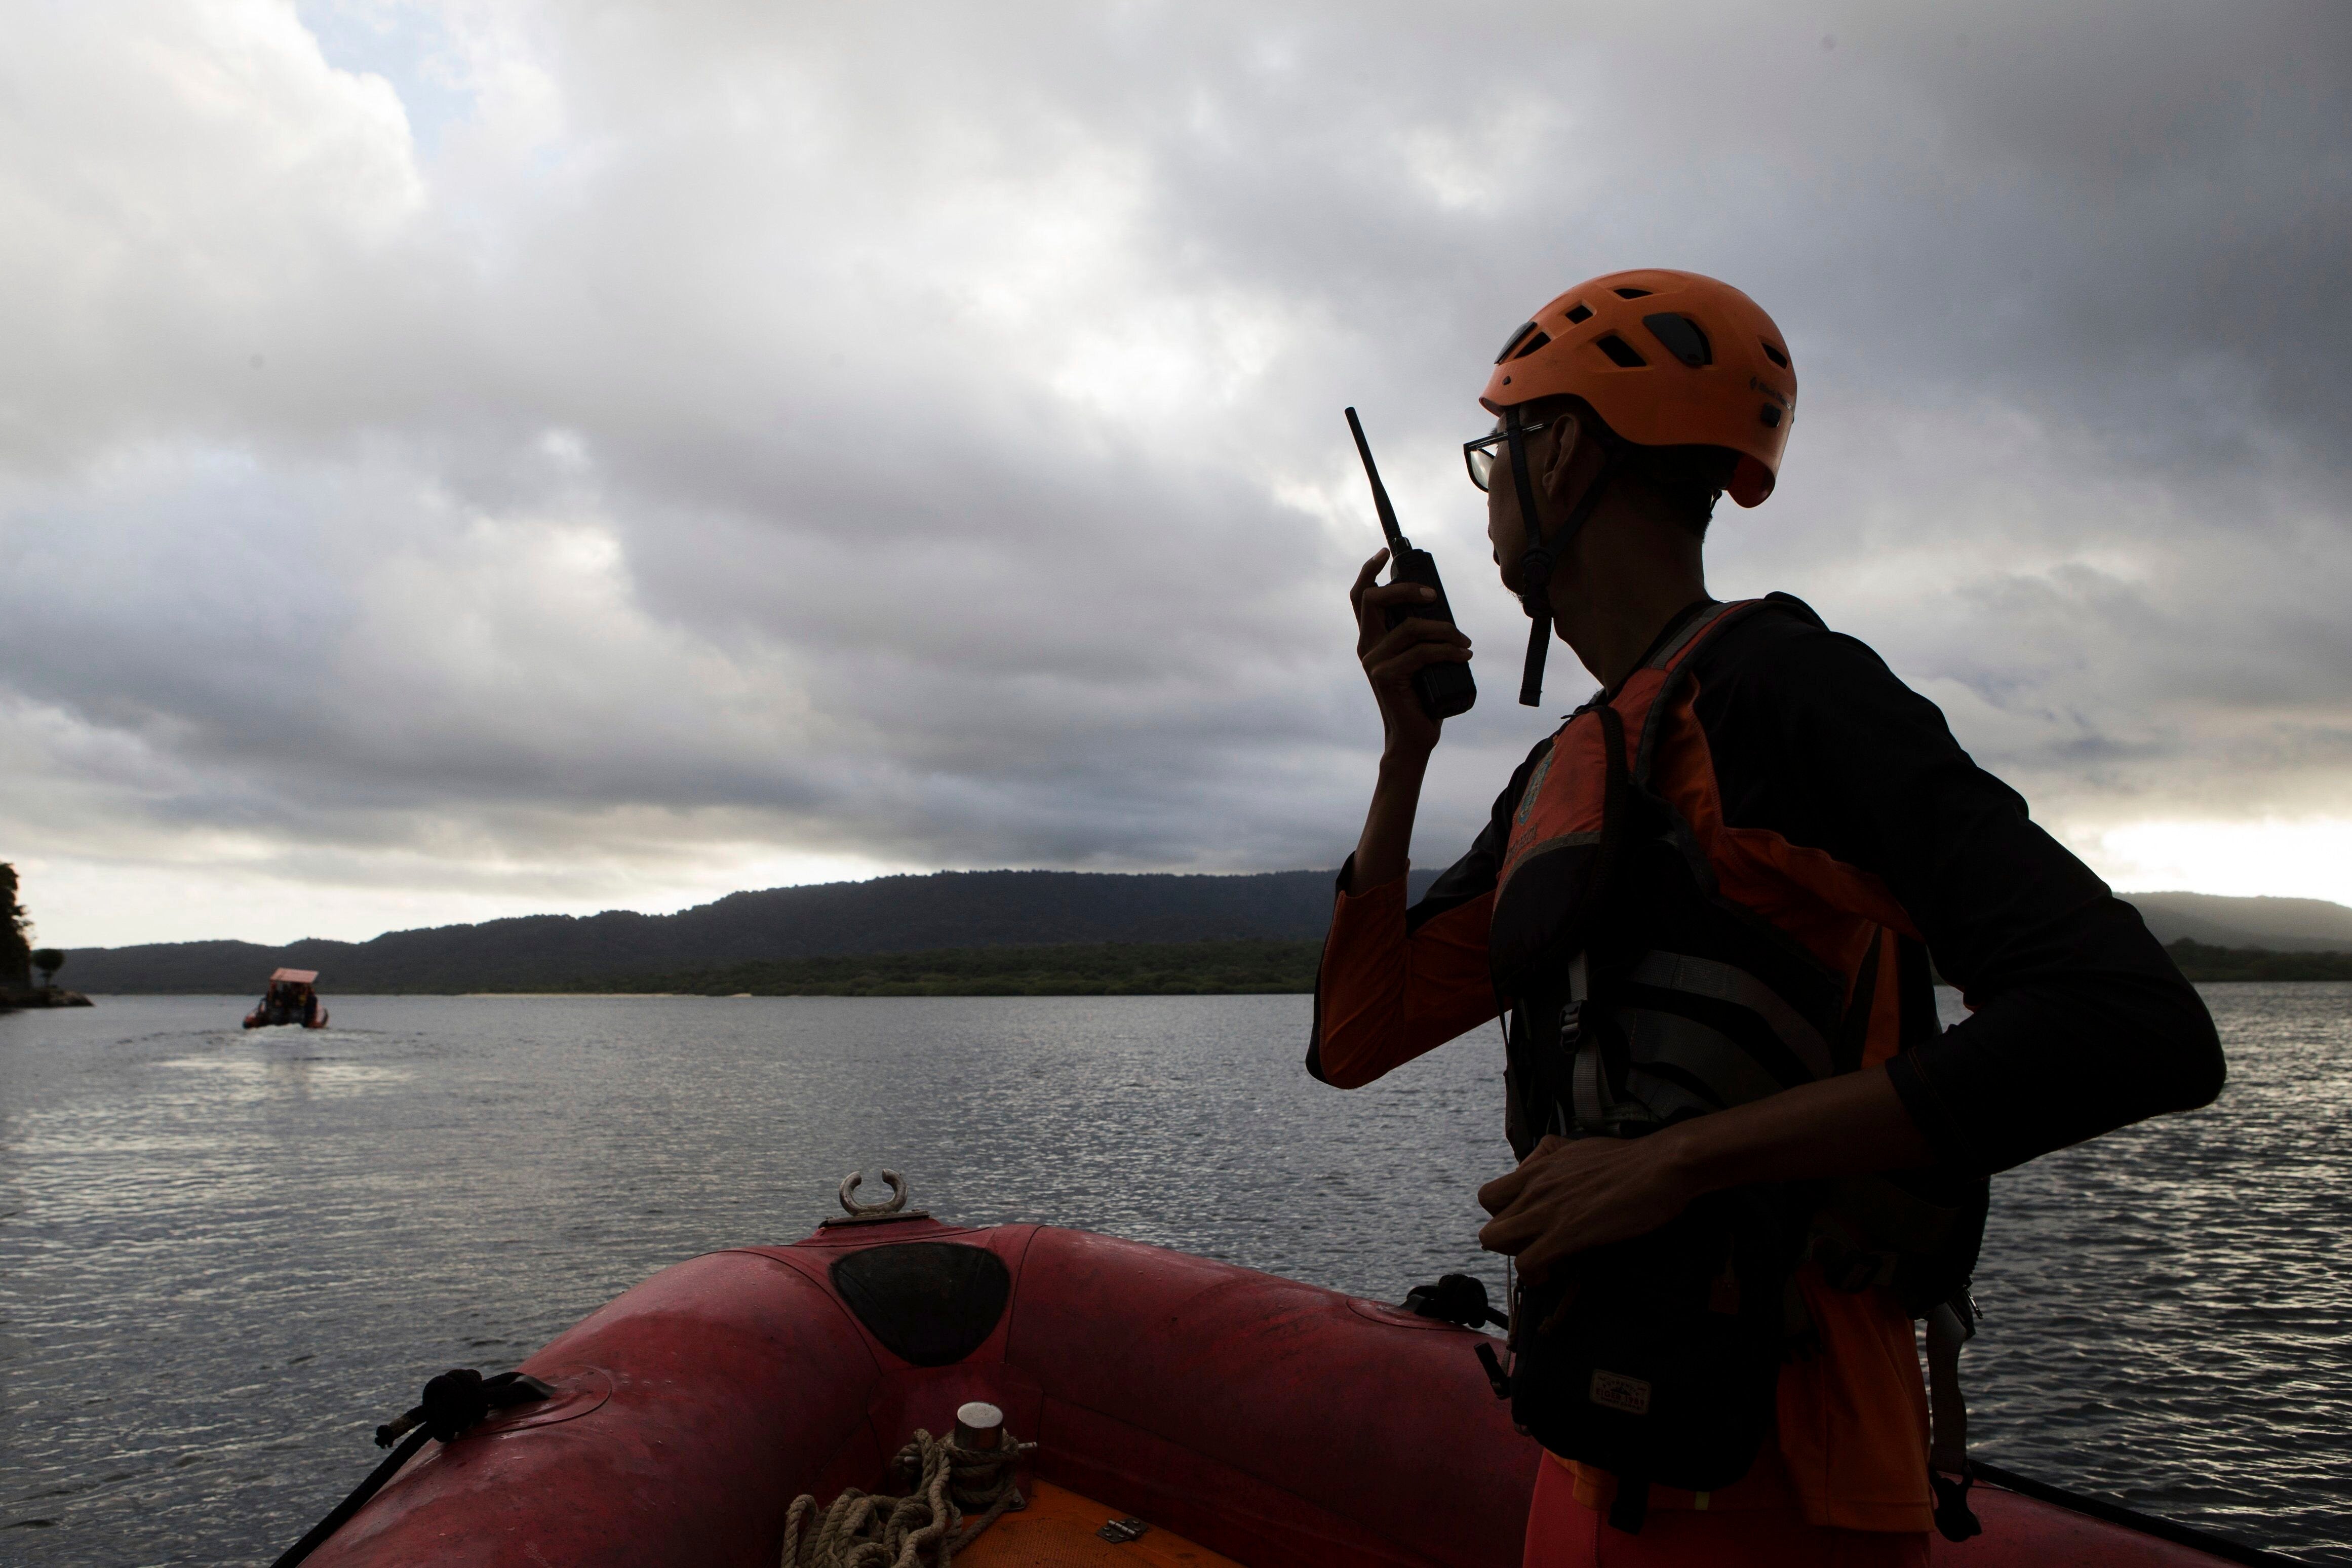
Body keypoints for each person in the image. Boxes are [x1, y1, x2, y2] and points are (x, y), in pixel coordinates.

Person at [1309, 269, 2224, 1567]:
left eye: (1494, 453)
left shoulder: (1781, 696)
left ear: (1561, 453)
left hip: (1789, 1491)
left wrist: (1673, 1162)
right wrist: (1401, 759)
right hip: (1591, 1459)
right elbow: (1357, 1040)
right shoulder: (1577, 763)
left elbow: (2135, 1027)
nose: (1492, 491)